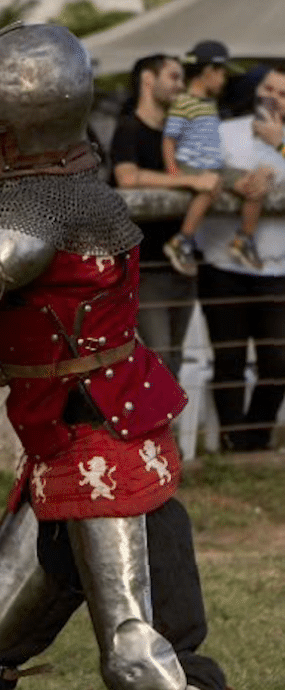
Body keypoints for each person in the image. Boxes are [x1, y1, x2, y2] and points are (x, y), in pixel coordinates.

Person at [0, 24, 226, 690]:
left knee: (138, 664)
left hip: (102, 446)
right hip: (57, 448)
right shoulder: (22, 196)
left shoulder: (34, 222)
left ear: (15, 130)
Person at [193, 64, 285, 452]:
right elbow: (196, 169)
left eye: (282, 94)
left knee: (278, 363)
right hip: (222, 263)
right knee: (228, 359)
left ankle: (255, 441)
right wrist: (235, 180)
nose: (273, 98)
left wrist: (278, 145)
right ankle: (233, 443)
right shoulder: (224, 131)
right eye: (268, 88)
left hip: (278, 268)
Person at [110, 54, 220, 376]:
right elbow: (127, 177)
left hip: (183, 265)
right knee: (159, 364)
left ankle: (164, 428)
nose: (181, 85)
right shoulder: (129, 127)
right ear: (148, 79)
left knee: (173, 361)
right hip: (147, 267)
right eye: (174, 77)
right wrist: (189, 180)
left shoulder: (180, 130)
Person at [162, 41, 272, 276]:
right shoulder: (183, 103)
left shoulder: (210, 103)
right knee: (210, 185)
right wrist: (173, 171)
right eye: (221, 73)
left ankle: (244, 239)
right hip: (191, 166)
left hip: (214, 166)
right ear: (207, 72)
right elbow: (169, 139)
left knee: (255, 185)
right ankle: (182, 240)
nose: (224, 79)